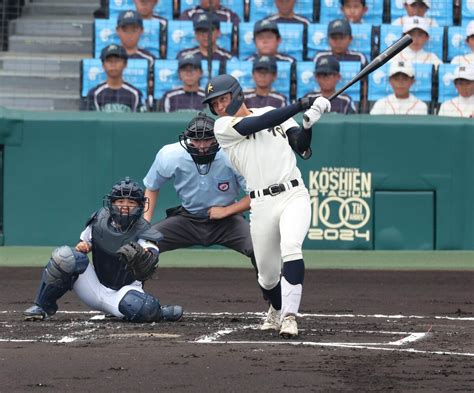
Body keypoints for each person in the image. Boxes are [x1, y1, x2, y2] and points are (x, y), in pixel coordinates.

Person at [201, 74, 331, 338]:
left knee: (291, 246)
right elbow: (257, 123)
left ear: (237, 95)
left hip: (293, 193)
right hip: (260, 202)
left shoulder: (273, 111)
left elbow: (300, 147)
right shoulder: (223, 127)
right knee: (268, 277)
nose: (219, 107)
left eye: (223, 99)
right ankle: (276, 306)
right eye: (214, 104)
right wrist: (301, 104)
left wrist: (307, 124)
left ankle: (290, 317)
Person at [23, 177, 183, 323]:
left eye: (131, 203)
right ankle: (42, 306)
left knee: (143, 308)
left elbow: (151, 256)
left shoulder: (144, 230)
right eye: (120, 202)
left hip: (124, 291)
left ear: (140, 206)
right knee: (65, 257)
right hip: (94, 286)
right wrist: (84, 246)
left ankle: (160, 312)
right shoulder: (98, 220)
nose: (125, 207)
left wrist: (146, 257)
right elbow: (84, 243)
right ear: (111, 203)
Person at [143, 112, 256, 272]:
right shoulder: (170, 155)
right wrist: (145, 222)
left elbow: (256, 195)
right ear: (188, 139)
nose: (202, 146)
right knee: (142, 246)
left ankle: (273, 293)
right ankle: (132, 294)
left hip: (228, 220)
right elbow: (152, 187)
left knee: (261, 249)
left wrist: (226, 211)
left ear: (216, 138)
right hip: (187, 219)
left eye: (207, 139)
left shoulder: (232, 154)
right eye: (196, 140)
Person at [81, 44, 146, 112]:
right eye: (109, 61)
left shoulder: (135, 94)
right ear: (103, 65)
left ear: (125, 64)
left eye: (117, 61)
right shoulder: (94, 94)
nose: (113, 64)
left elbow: (141, 119)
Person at [116, 10, 156, 108]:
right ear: (117, 31)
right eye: (125, 30)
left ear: (141, 31)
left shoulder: (150, 59)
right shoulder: (109, 57)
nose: (129, 34)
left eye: (134, 30)